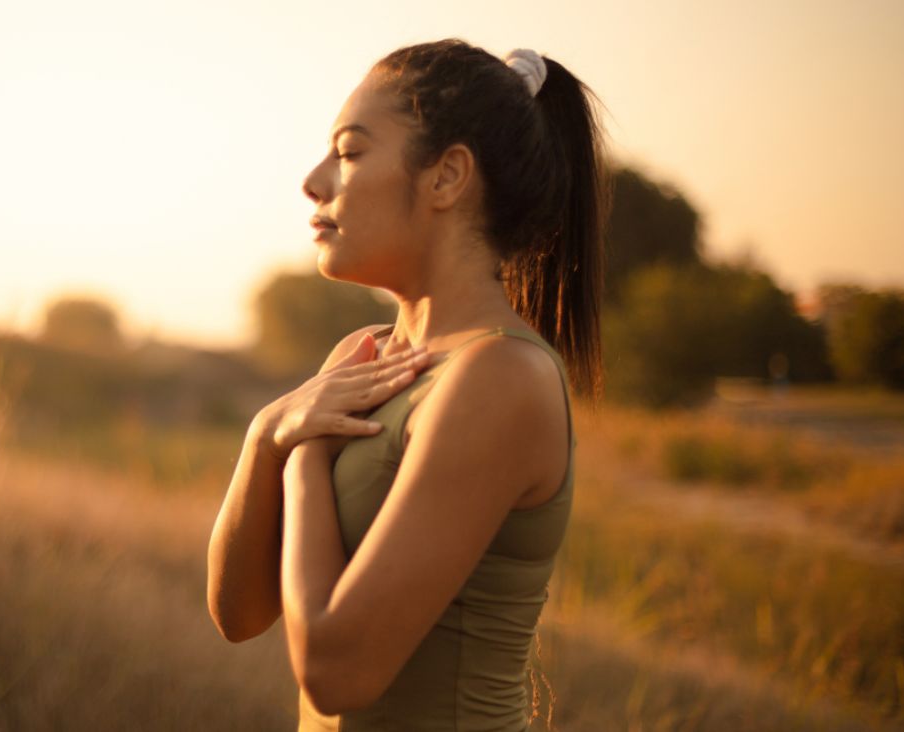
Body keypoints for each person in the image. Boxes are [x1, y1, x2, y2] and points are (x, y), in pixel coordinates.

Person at [207, 38, 609, 731]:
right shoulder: (359, 358)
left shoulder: (500, 375)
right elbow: (238, 615)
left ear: (447, 177)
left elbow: (336, 672)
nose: (313, 180)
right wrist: (265, 437)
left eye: (349, 151)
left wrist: (302, 454)